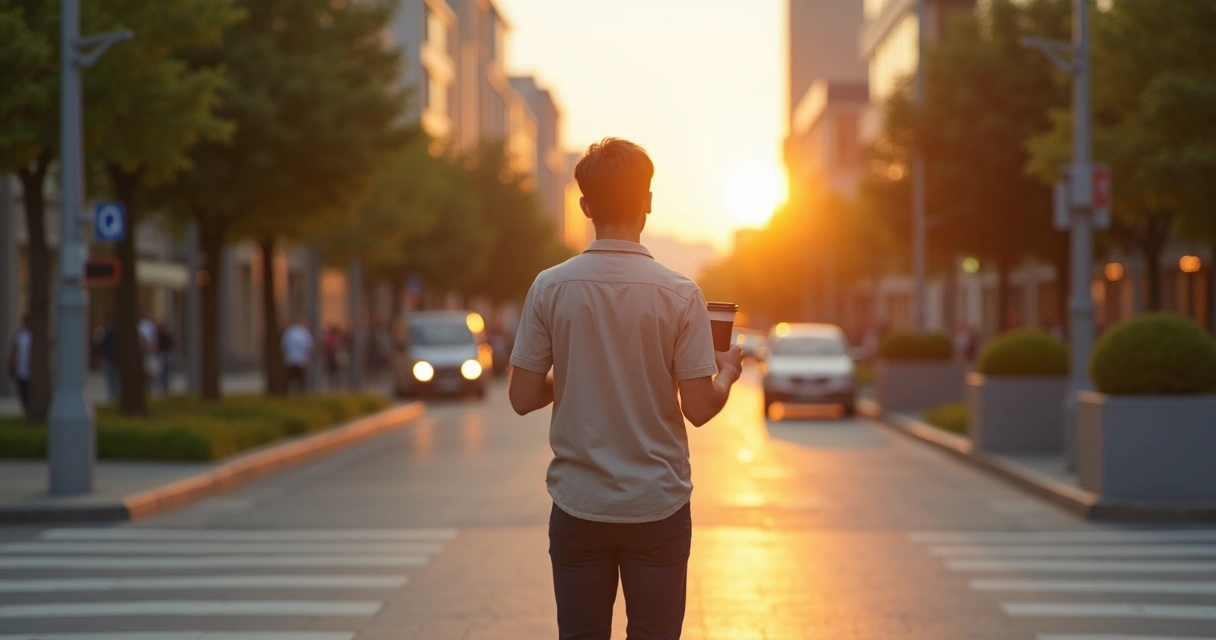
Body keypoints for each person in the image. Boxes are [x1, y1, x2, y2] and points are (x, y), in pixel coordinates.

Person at [508, 138, 744, 640]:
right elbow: (699, 409)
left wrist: (572, 370)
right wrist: (726, 373)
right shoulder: (681, 295)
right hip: (657, 504)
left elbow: (522, 396)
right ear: (648, 202)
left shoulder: (549, 287)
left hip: (578, 503)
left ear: (585, 206)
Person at [281, 316, 314, 394]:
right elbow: (309, 347)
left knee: (289, 379)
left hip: (290, 359)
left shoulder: (288, 332)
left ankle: (286, 394)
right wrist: (308, 359)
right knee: (301, 380)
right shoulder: (304, 332)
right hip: (301, 360)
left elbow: (283, 346)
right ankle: (301, 394)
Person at [7, 314, 31, 414]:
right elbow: (13, 351)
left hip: (31, 372)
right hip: (21, 371)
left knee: (30, 393)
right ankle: (26, 411)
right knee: (22, 392)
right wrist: (11, 365)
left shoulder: (34, 336)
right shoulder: (18, 336)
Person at [94, 315, 120, 402]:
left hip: (109, 357)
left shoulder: (105, 331)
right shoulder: (116, 331)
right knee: (115, 377)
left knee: (110, 377)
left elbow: (99, 344)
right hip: (115, 358)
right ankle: (115, 394)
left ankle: (112, 394)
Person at [156, 322, 176, 394]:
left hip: (165, 354)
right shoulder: (160, 335)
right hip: (163, 354)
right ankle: (163, 386)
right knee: (163, 371)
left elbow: (171, 344)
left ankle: (165, 386)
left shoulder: (164, 335)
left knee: (165, 371)